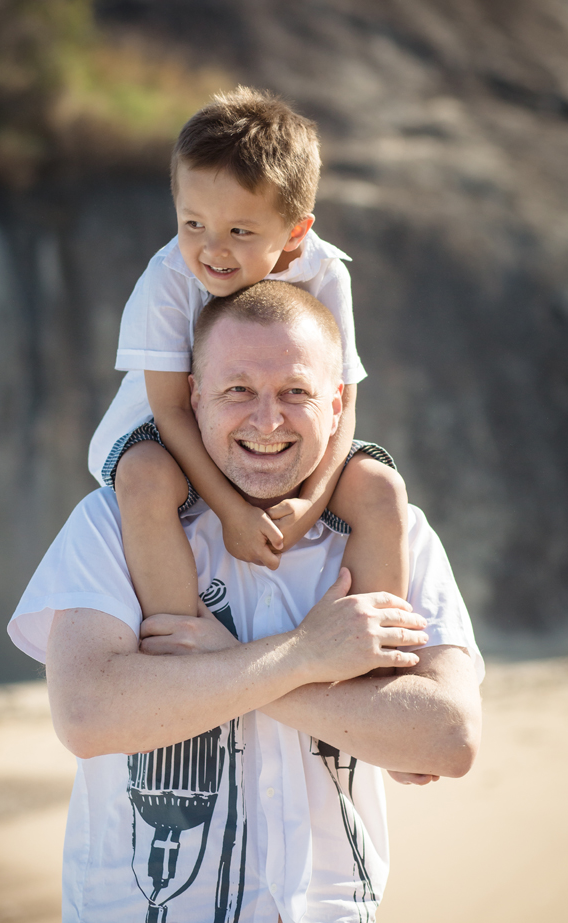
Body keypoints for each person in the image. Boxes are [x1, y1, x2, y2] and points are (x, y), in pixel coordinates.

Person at [9, 282, 483, 923]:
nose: (267, 418)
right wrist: (306, 657)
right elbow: (90, 714)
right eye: (236, 389)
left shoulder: (393, 529)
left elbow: (446, 739)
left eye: (294, 390)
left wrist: (226, 669)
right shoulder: (113, 522)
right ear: (191, 396)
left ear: (335, 404)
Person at [87, 86, 409, 623]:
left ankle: (366, 654)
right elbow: (169, 409)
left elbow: (341, 399)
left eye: (240, 230)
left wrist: (312, 503)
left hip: (282, 430)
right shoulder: (167, 278)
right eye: (193, 224)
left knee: (381, 488)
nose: (212, 249)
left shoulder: (325, 271)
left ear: (294, 232)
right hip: (176, 438)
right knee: (142, 478)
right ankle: (181, 646)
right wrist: (232, 511)